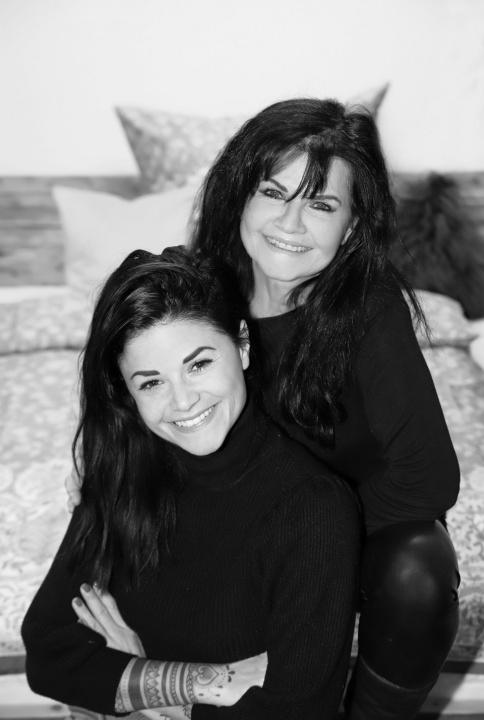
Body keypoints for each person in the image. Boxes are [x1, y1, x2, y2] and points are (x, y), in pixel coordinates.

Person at [66, 98, 461, 719]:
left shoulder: (371, 306)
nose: (291, 223)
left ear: (351, 225)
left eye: (321, 204)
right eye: (273, 193)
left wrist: (321, 554)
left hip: (347, 528)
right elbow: (144, 416)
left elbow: (429, 477)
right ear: (240, 198)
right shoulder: (202, 293)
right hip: (235, 513)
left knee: (420, 567)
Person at [22, 247, 361, 720]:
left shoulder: (313, 510)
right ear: (128, 392)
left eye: (198, 364)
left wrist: (138, 685)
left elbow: (295, 712)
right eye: (151, 383)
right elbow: (47, 654)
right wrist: (203, 684)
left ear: (242, 345)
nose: (183, 402)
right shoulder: (123, 470)